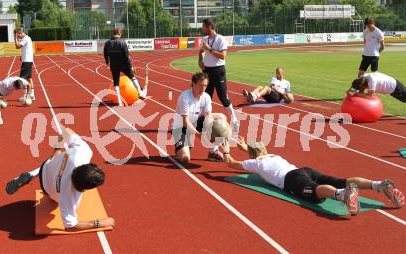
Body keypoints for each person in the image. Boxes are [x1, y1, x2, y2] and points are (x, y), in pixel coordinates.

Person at [220, 138, 404, 215]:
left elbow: (232, 164)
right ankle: (380, 185)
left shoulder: (256, 163)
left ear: (251, 154)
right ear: (264, 149)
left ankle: (343, 195)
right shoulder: (273, 155)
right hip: (304, 169)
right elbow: (255, 151)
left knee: (316, 192)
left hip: (291, 179)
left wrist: (226, 152)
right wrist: (246, 148)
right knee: (340, 180)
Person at [5, 127, 115, 230]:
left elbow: (66, 131)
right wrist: (100, 223)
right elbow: (71, 226)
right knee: (56, 204)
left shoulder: (83, 153)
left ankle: (32, 174)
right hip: (49, 191)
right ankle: (34, 174)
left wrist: (56, 151)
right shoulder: (70, 196)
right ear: (85, 188)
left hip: (47, 166)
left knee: (56, 163)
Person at [173, 72, 230, 163]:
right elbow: (185, 122)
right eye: (200, 85)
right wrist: (199, 135)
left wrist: (216, 133)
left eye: (205, 85)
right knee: (185, 158)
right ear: (193, 84)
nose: (203, 88)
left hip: (196, 122)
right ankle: (181, 145)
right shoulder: (185, 97)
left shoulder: (206, 97)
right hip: (181, 128)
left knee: (220, 117)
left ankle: (213, 151)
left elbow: (208, 117)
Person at [198, 18, 239, 132]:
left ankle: (234, 119)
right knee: (206, 97)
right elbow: (201, 51)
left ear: (209, 26)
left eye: (203, 26)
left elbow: (223, 56)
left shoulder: (220, 39)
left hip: (218, 71)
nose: (202, 28)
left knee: (223, 97)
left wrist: (209, 49)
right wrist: (200, 61)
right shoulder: (205, 39)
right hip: (207, 71)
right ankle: (207, 122)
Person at [103, 27, 147, 106]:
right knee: (132, 77)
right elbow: (127, 56)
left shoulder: (107, 43)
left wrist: (107, 62)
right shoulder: (122, 42)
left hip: (114, 65)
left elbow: (105, 53)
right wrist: (130, 66)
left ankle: (119, 102)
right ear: (120, 33)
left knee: (116, 83)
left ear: (113, 33)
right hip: (124, 64)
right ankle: (140, 92)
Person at [14, 28, 35, 100]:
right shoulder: (28, 38)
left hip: (27, 61)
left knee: (22, 79)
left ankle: (26, 95)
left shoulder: (25, 39)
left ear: (20, 33)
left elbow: (17, 46)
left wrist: (15, 38)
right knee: (29, 77)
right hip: (28, 60)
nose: (18, 37)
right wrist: (22, 56)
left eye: (17, 35)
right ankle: (32, 94)